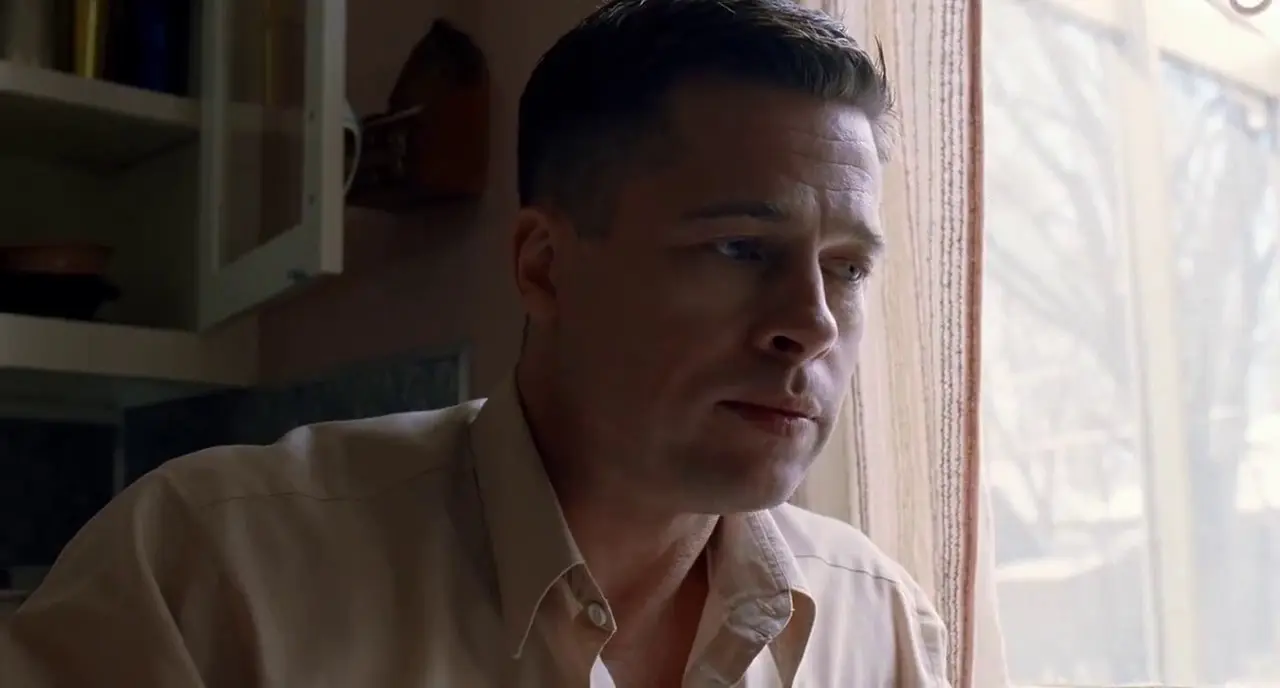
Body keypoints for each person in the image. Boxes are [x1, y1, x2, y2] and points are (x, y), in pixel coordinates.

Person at [1, 0, 950, 685]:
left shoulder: (879, 625)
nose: (813, 324)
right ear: (544, 269)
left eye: (847, 267)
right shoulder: (211, 570)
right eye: (740, 248)